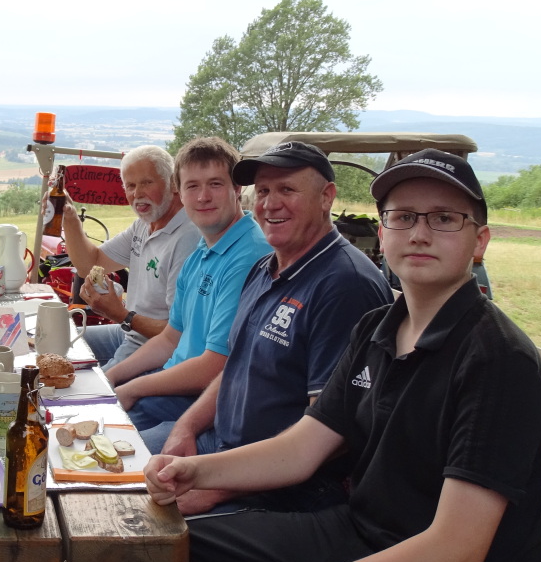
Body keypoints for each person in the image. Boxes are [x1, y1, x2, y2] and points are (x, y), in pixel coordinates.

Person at [108, 148, 541, 562]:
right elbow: (303, 447)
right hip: (360, 535)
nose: (419, 234)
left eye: (443, 219)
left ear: (479, 242)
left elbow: (454, 552)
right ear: (383, 233)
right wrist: (194, 470)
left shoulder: (496, 361)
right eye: (403, 217)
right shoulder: (378, 329)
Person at [158, 140, 391, 512]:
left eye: (287, 189)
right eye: (264, 191)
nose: (270, 203)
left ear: (327, 197)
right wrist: (185, 427)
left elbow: (332, 435)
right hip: (219, 449)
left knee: (130, 521)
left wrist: (215, 488)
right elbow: (237, 366)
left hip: (279, 490)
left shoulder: (344, 285)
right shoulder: (265, 268)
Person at [99, 138, 268, 453]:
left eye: (215, 184)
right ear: (179, 191)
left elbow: (214, 366)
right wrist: (111, 376)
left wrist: (132, 388)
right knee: (86, 418)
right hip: (171, 384)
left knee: (101, 448)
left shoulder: (249, 256)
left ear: (237, 189)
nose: (203, 197)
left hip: (203, 403)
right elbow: (170, 338)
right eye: (192, 186)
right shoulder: (203, 250)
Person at [61, 145, 200, 367]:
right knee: (59, 341)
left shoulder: (188, 238)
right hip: (130, 332)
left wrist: (121, 314)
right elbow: (92, 263)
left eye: (146, 183)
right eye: (131, 186)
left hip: (157, 350)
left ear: (174, 184)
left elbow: (180, 334)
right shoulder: (143, 225)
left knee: (92, 384)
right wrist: (69, 218)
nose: (137, 194)